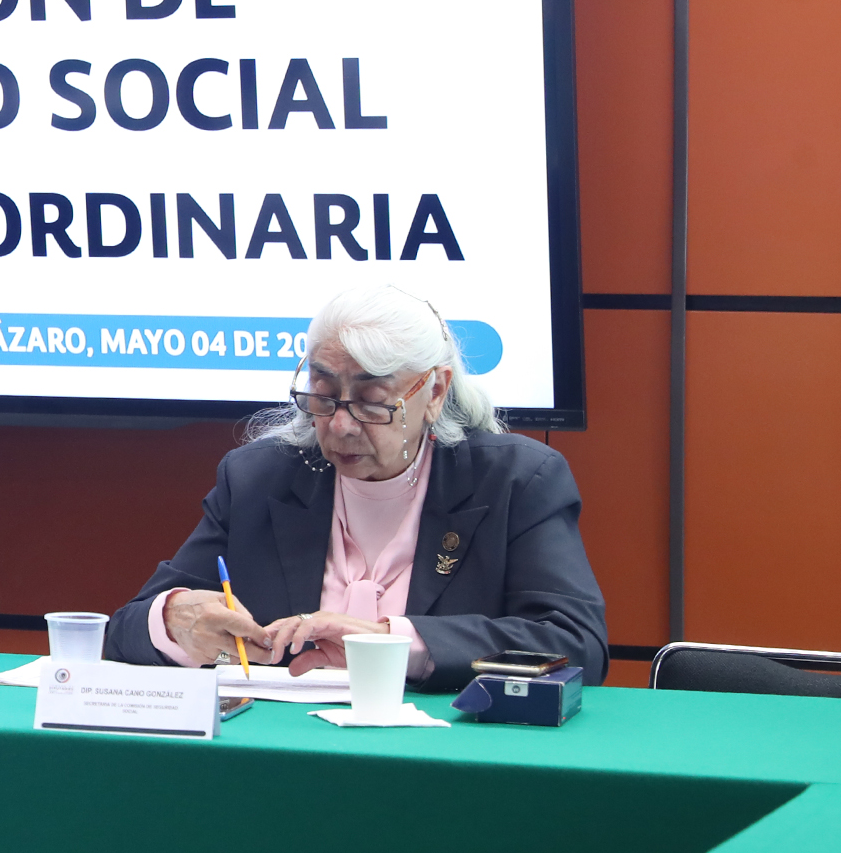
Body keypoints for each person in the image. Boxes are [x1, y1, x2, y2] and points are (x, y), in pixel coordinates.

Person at [109, 284, 608, 691]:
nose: (341, 426)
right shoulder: (258, 479)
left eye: (372, 401)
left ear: (435, 391)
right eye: (324, 396)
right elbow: (124, 632)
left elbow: (576, 644)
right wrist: (172, 619)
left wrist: (393, 642)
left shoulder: (515, 480)